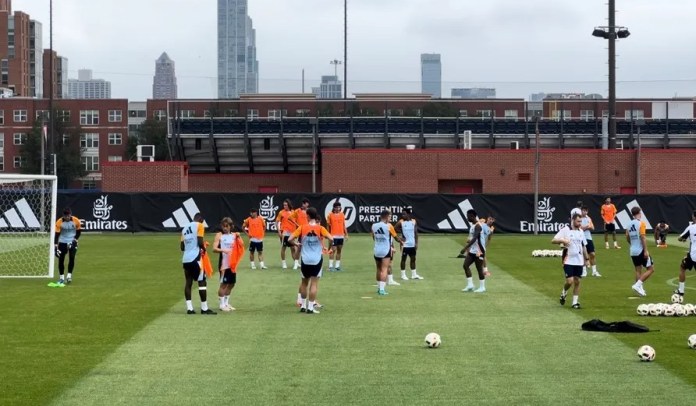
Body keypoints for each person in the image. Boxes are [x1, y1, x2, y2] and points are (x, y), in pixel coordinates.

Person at [287, 207, 333, 314]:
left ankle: (303, 305)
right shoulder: (320, 228)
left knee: (304, 283)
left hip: (305, 260)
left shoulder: (302, 228)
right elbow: (331, 238)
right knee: (314, 284)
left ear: (307, 216)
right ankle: (311, 307)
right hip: (316, 260)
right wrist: (329, 248)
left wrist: (296, 244)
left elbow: (289, 239)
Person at [552, 213, 589, 309]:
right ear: (573, 220)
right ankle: (564, 292)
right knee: (570, 281)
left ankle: (575, 302)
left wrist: (587, 259)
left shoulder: (581, 231)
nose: (580, 223)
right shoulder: (566, 230)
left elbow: (584, 246)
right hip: (568, 259)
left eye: (581, 221)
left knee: (577, 281)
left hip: (579, 260)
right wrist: (563, 241)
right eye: (578, 221)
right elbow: (553, 240)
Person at [181, 213, 216, 315]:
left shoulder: (184, 228)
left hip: (186, 259)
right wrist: (204, 248)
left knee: (188, 282)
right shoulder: (199, 226)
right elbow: (200, 242)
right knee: (202, 282)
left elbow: (182, 247)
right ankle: (204, 309)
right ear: (200, 219)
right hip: (196, 258)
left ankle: (189, 308)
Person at [213, 218, 243, 312]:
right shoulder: (219, 235)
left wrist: (239, 237)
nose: (225, 228)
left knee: (232, 283)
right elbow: (214, 249)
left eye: (227, 226)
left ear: (231, 226)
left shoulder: (234, 235)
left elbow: (241, 245)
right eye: (223, 226)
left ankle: (226, 303)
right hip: (224, 264)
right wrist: (223, 250)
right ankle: (221, 305)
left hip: (233, 264)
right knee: (224, 284)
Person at [372, 210, 402, 296]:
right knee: (384, 269)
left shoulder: (374, 226)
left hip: (377, 249)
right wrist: (401, 242)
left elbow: (374, 238)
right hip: (385, 250)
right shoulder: (389, 226)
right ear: (386, 217)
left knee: (378, 269)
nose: (390, 218)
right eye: (390, 217)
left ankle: (378, 288)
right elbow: (396, 238)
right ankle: (382, 290)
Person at [626, 206, 653, 297]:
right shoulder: (641, 223)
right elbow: (643, 237)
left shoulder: (629, 224)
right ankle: (637, 285)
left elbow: (627, 236)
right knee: (651, 269)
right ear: (639, 213)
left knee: (638, 270)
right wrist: (645, 250)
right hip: (640, 250)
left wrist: (632, 244)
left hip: (633, 250)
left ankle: (640, 290)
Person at [461, 209, 488, 293]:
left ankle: (482, 287)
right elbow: (471, 239)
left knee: (479, 268)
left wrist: (465, 248)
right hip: (473, 251)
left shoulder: (478, 226)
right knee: (465, 265)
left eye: (468, 216)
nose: (467, 218)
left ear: (472, 216)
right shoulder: (472, 225)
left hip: (479, 251)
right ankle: (470, 285)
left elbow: (475, 238)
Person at [53, 208, 81, 285]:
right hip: (62, 241)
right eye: (66, 216)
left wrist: (74, 240)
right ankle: (61, 277)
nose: (67, 217)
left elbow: (78, 232)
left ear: (70, 215)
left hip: (72, 241)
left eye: (68, 216)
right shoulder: (59, 222)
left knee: (72, 257)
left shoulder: (76, 220)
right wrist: (55, 247)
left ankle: (69, 276)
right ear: (63, 216)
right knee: (61, 259)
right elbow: (57, 235)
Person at [395, 207, 423, 281]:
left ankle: (414, 275)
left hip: (412, 244)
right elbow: (394, 229)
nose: (402, 215)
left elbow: (416, 233)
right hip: (405, 245)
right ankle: (403, 275)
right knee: (403, 259)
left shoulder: (414, 221)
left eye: (404, 214)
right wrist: (400, 238)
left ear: (408, 214)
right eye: (402, 214)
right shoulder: (401, 222)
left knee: (413, 259)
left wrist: (416, 243)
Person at [674, 211, 696, 298]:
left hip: (693, 255)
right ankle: (680, 290)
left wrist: (684, 239)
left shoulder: (691, 227)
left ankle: (681, 290)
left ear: (694, 217)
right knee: (682, 266)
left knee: (682, 267)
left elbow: (680, 238)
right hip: (692, 255)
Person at [290, 198, 310, 270]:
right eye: (306, 204)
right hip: (301, 231)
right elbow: (290, 217)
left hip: (308, 231)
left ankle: (306, 263)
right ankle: (296, 264)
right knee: (299, 248)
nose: (307, 206)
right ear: (303, 204)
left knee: (308, 248)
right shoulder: (297, 211)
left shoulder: (309, 211)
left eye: (307, 204)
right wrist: (297, 224)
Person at [580, 206, 601, 277]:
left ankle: (594, 271)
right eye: (583, 210)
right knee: (583, 255)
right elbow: (580, 228)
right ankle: (584, 271)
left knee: (592, 254)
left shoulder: (589, 218)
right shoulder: (578, 218)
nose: (584, 212)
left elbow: (593, 227)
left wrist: (587, 227)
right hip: (581, 238)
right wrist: (587, 227)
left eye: (586, 211)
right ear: (581, 211)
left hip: (589, 238)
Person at [327, 201, 348, 271]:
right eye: (337, 207)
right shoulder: (330, 215)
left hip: (341, 235)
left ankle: (337, 266)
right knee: (333, 250)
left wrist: (346, 234)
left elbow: (343, 225)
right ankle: (330, 266)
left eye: (339, 207)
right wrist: (328, 234)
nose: (338, 208)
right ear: (334, 208)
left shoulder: (342, 215)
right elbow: (328, 226)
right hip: (333, 235)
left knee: (339, 250)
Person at [276, 199, 296, 270]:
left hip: (292, 232)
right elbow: (277, 222)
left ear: (289, 205)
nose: (284, 206)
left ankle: (295, 263)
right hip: (285, 232)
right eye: (284, 205)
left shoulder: (293, 212)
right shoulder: (281, 212)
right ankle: (284, 263)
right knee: (283, 247)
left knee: (293, 248)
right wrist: (279, 231)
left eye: (286, 205)